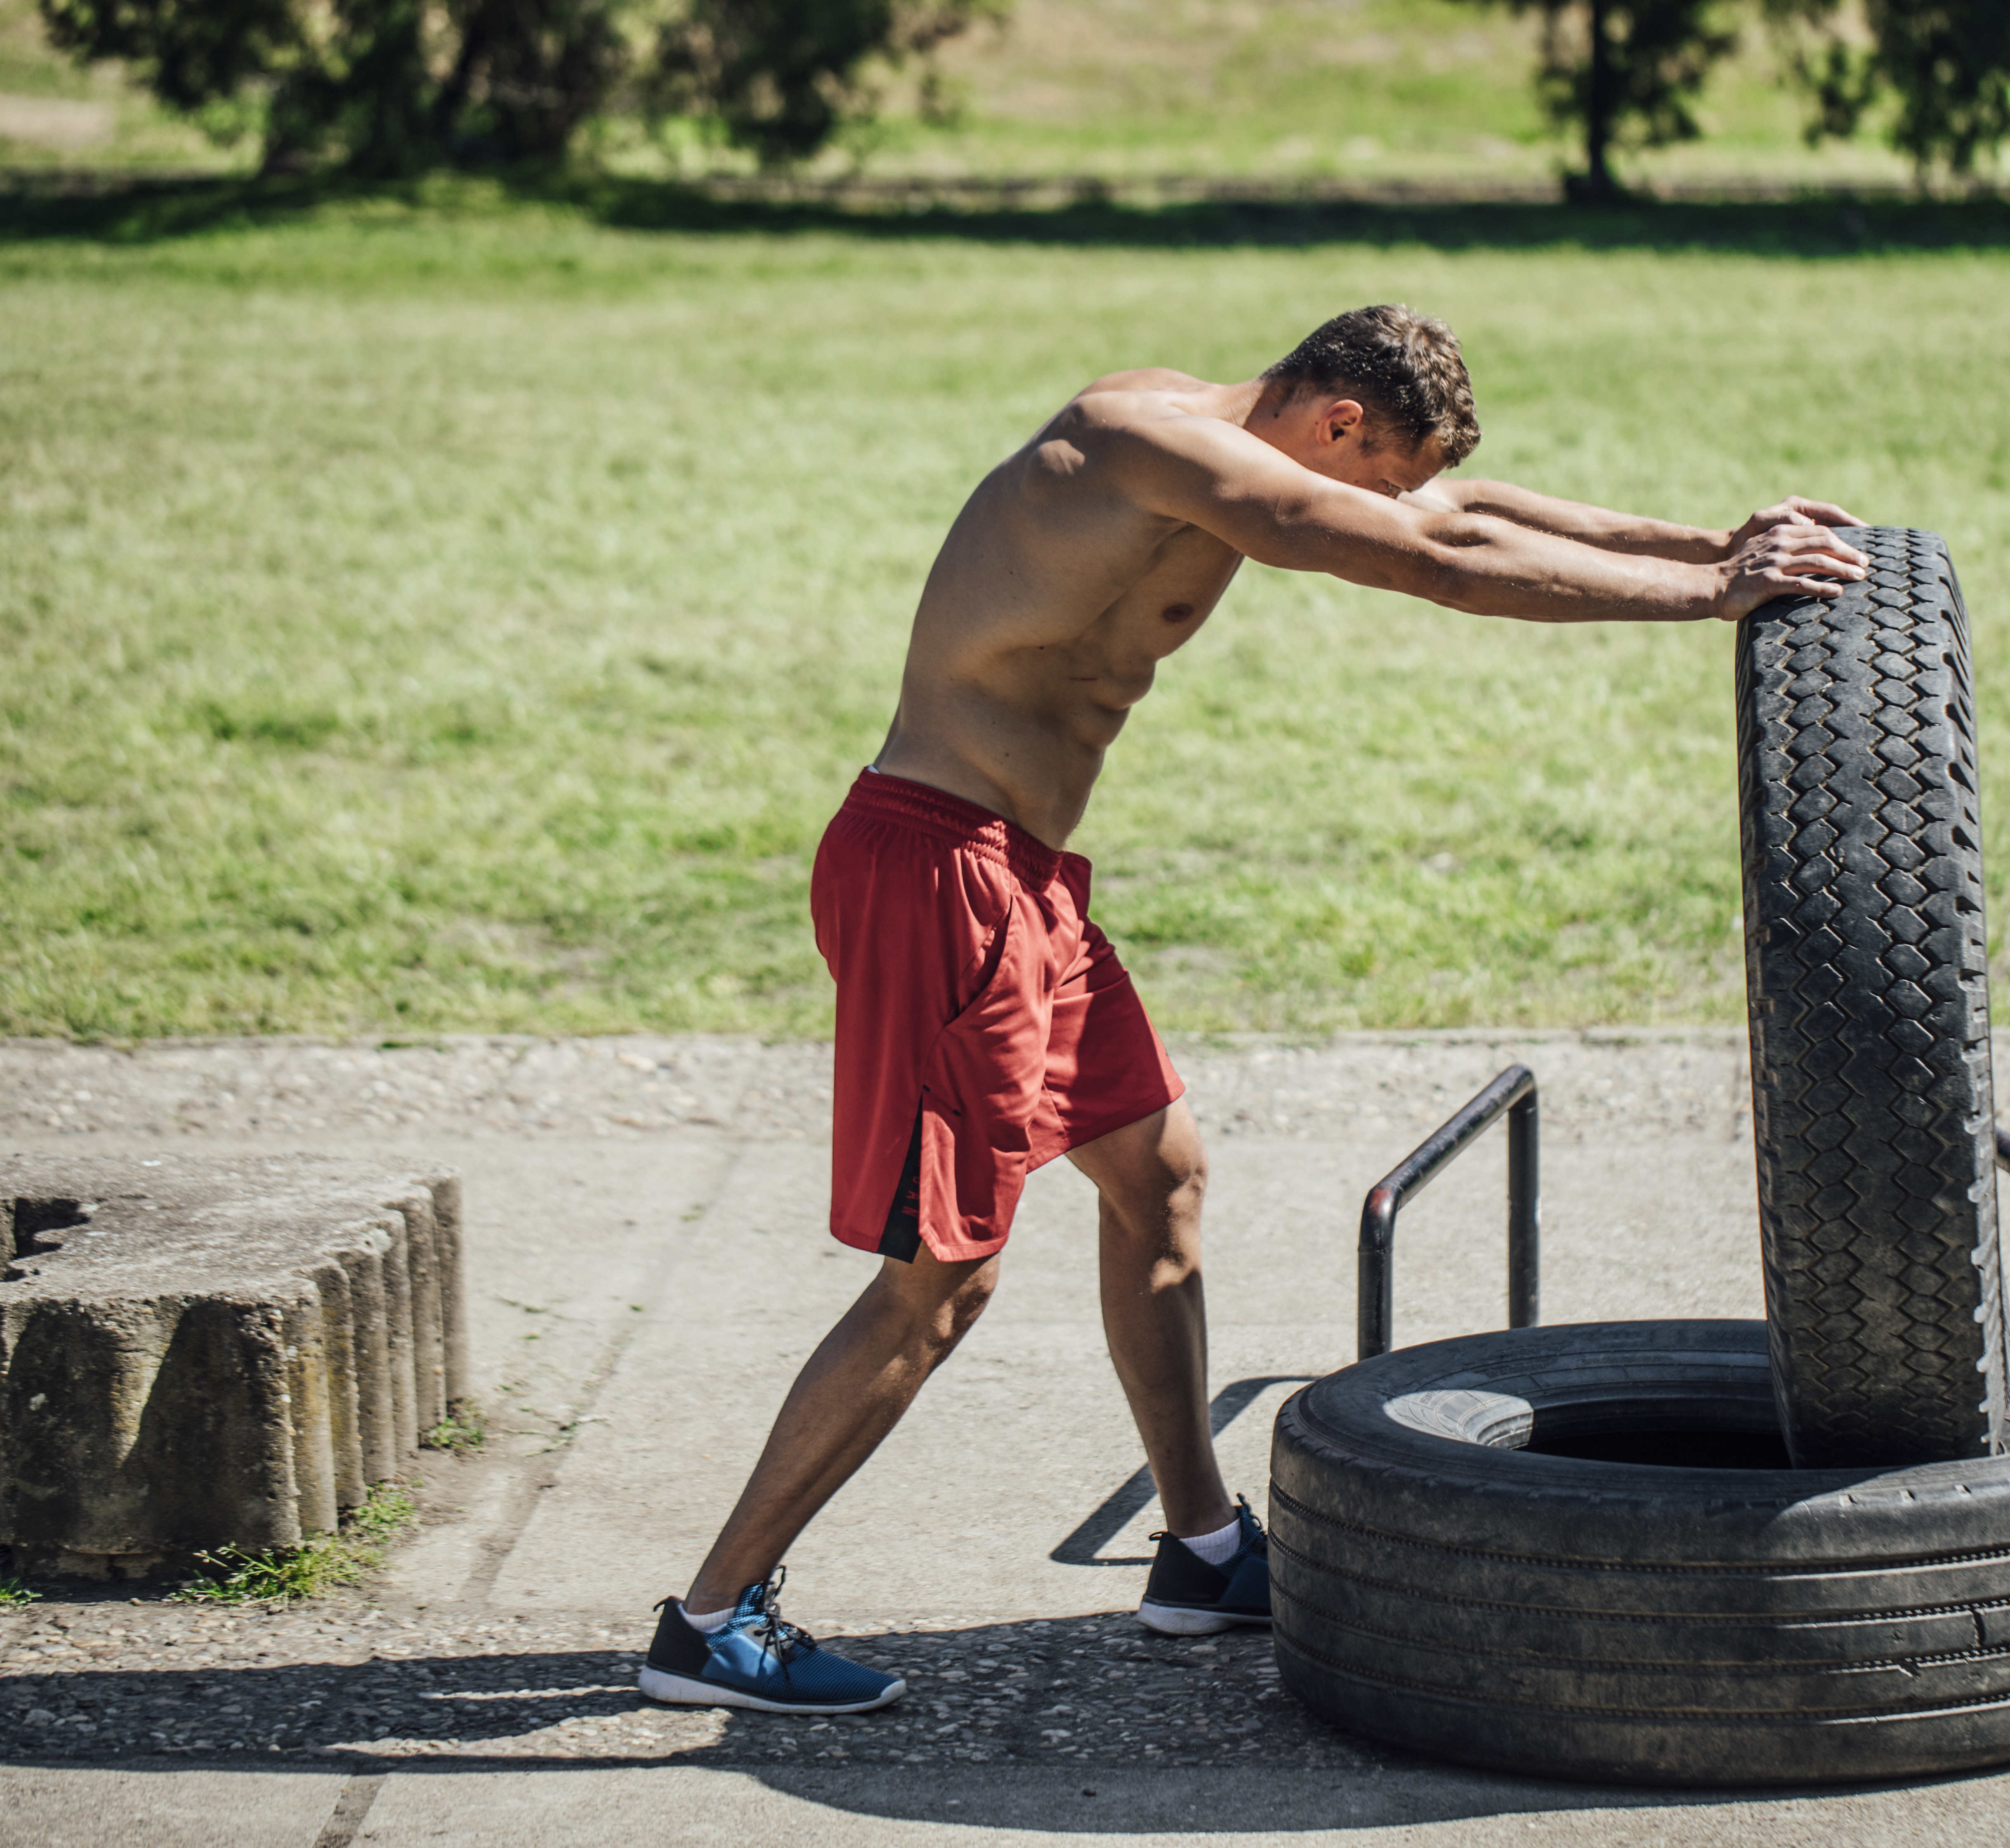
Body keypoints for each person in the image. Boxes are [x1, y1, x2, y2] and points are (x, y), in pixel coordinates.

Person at [637, 304, 1871, 1715]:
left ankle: (1202, 1550)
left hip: (1024, 880)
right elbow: (1442, 558)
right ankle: (711, 1618)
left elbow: (1465, 507)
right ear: (1338, 422)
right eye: (1378, 472)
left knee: (1158, 1181)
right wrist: (1710, 602)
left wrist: (1710, 541)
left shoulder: (1241, 444)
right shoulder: (1138, 439)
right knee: (946, 1281)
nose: (1389, 500)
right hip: (941, 876)